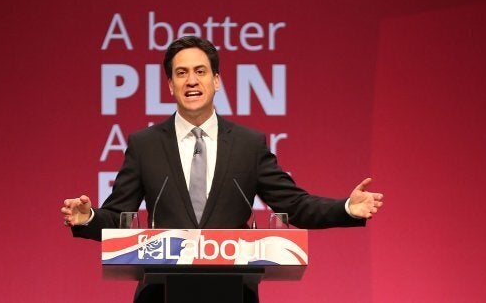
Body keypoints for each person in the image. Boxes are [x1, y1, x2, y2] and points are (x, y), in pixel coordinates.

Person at [61, 36, 384, 302]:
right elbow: (120, 217)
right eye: (181, 73)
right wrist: (87, 218)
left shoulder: (248, 144)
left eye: (200, 71)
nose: (191, 81)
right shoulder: (145, 144)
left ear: (216, 81)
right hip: (161, 292)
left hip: (233, 292)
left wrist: (347, 208)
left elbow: (294, 206)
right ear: (170, 85)